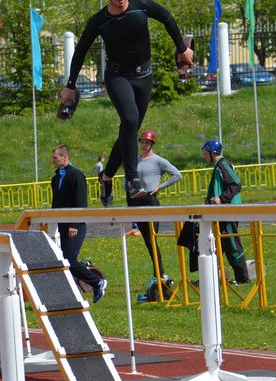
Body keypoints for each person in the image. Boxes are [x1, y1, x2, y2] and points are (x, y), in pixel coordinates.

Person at [60, 0, 193, 202]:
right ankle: (133, 180)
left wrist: (182, 48)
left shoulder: (141, 6)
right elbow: (80, 51)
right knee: (130, 120)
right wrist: (70, 85)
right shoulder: (99, 20)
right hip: (117, 77)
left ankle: (106, 177)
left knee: (129, 129)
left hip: (144, 76)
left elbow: (166, 17)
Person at [51, 144, 107, 302]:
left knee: (68, 259)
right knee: (64, 260)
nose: (52, 161)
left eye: (55, 158)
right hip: (62, 224)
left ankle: (97, 282)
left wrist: (74, 224)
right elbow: (55, 203)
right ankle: (74, 292)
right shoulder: (56, 179)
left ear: (65, 157)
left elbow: (81, 201)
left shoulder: (76, 175)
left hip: (75, 225)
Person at [129, 130, 182, 288]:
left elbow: (177, 175)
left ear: (152, 144)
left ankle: (160, 273)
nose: (144, 145)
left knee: (152, 239)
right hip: (138, 201)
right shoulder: (137, 160)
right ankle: (158, 273)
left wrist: (160, 187)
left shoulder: (158, 160)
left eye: (147, 142)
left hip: (151, 201)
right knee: (146, 240)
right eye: (142, 142)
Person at [199, 139, 250, 285]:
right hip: (221, 212)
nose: (203, 156)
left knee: (232, 245)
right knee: (215, 245)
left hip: (228, 212)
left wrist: (221, 198)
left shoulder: (223, 164)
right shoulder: (218, 166)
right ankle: (209, 276)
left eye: (204, 153)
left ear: (212, 153)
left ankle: (242, 278)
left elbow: (235, 184)